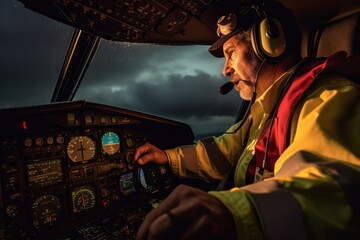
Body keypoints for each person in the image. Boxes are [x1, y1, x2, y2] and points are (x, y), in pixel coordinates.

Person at [134, 0, 360, 239]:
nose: (225, 70)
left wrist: (236, 215)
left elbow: (335, 190)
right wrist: (168, 157)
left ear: (270, 42)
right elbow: (225, 152)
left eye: (231, 53)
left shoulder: (326, 97)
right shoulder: (265, 109)